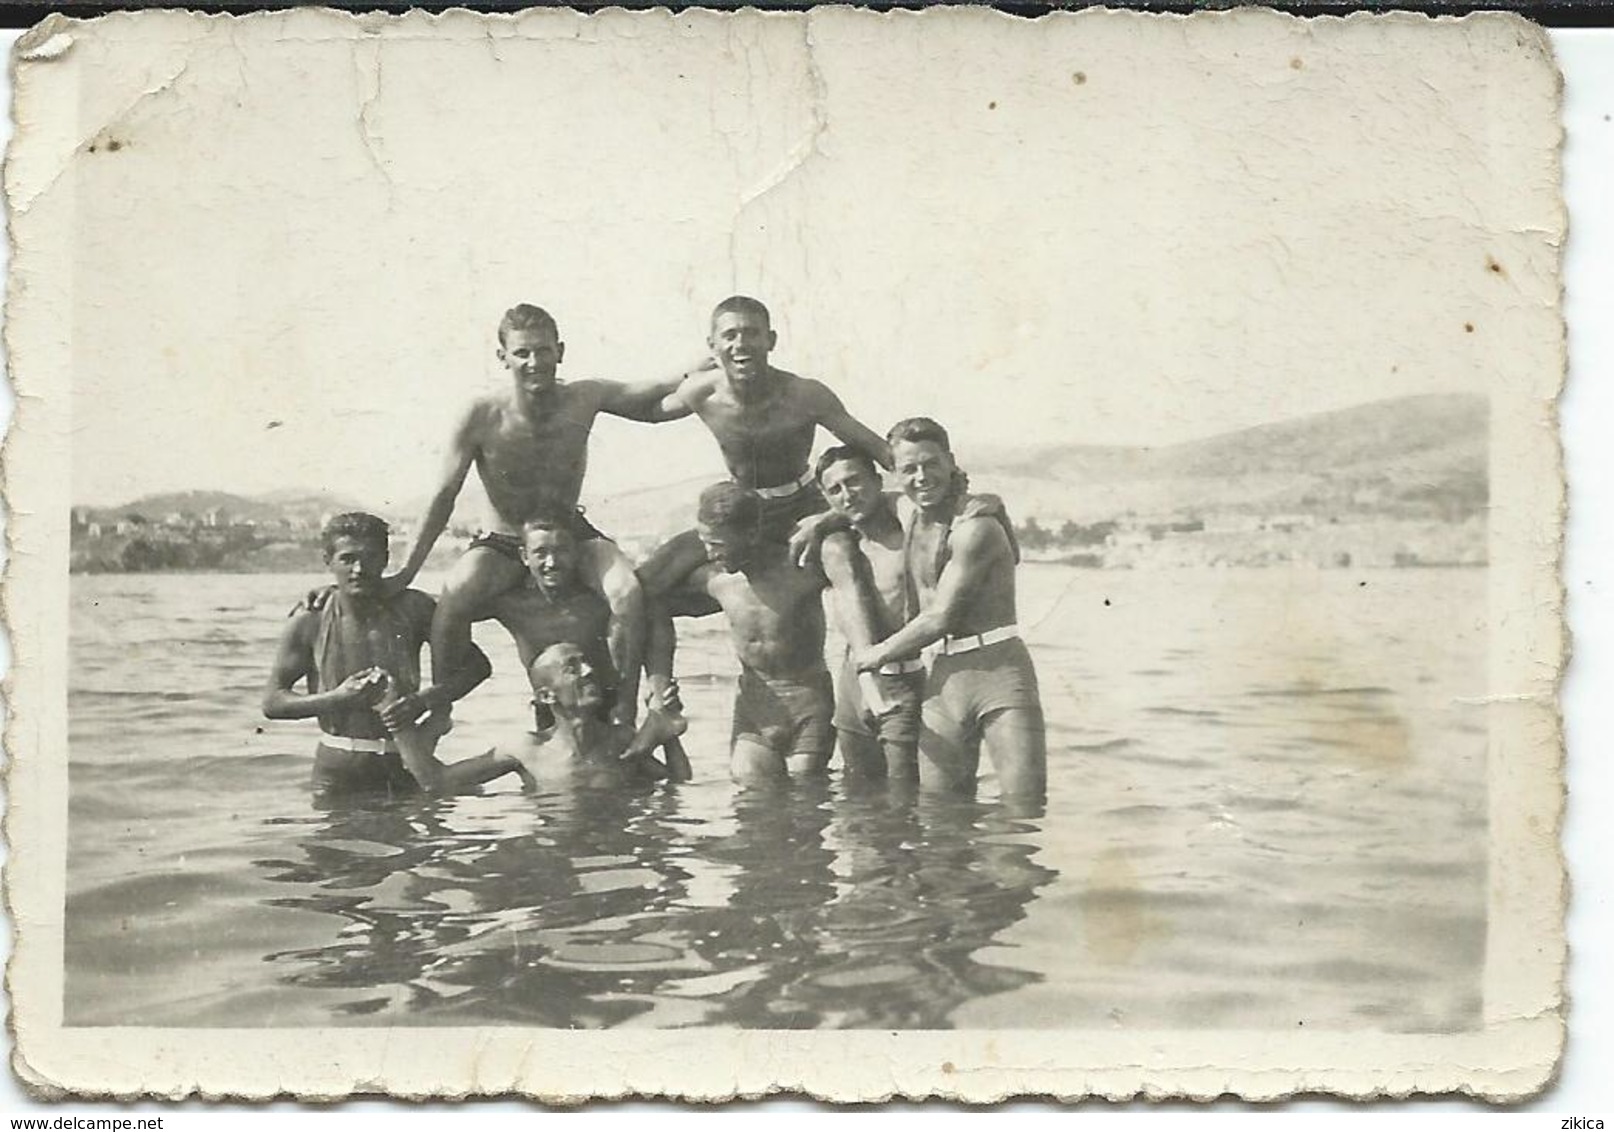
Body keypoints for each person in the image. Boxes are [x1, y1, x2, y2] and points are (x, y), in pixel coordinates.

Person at [383, 303, 698, 725]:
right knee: (455, 595)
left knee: (627, 591)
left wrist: (702, 373)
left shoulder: (584, 396)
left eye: (544, 351)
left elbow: (655, 393)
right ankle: (441, 706)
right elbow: (444, 495)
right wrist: (406, 572)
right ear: (503, 358)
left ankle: (626, 704)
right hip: (504, 542)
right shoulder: (481, 415)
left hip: (570, 534)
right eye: (523, 353)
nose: (535, 363)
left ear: (560, 351)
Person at [263, 512, 534, 799]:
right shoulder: (311, 618)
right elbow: (273, 701)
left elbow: (478, 666)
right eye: (347, 558)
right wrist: (338, 698)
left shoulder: (413, 607)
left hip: (403, 762)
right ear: (328, 561)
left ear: (385, 559)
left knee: (416, 841)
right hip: (336, 768)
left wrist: (423, 700)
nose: (359, 569)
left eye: (369, 557)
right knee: (331, 843)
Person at [635, 296, 892, 597]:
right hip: (743, 511)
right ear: (712, 345)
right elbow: (648, 411)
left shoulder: (805, 395)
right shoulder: (701, 391)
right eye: (729, 335)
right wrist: (680, 374)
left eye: (751, 333)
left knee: (840, 554)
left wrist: (825, 520)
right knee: (649, 580)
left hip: (803, 505)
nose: (741, 344)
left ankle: (867, 646)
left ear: (771, 340)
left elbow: (880, 450)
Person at [853, 418, 1047, 800]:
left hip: (998, 671)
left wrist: (871, 656)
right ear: (895, 474)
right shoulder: (908, 512)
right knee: (939, 819)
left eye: (931, 464)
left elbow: (940, 617)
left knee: (1021, 815)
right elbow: (857, 507)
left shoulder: (975, 527)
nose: (922, 477)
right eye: (909, 469)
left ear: (951, 461)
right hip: (942, 677)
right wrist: (817, 523)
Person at [648, 482, 879, 784]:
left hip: (809, 702)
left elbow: (859, 560)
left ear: (751, 534)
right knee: (752, 799)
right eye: (705, 542)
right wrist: (660, 683)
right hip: (755, 706)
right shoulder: (715, 580)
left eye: (718, 544)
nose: (708, 553)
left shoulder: (802, 569)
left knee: (806, 799)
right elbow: (652, 606)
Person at [478, 511, 687, 773]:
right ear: (524, 556)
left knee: (616, 778)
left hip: (609, 709)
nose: (552, 562)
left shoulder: (599, 600)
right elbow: (448, 614)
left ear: (577, 552)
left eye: (562, 550)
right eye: (541, 552)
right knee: (559, 781)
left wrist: (653, 695)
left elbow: (655, 613)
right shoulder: (511, 604)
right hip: (553, 711)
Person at [813, 445, 925, 782]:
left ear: (878, 481)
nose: (847, 495)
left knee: (904, 797)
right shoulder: (837, 547)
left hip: (903, 676)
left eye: (854, 482)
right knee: (856, 800)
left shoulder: (910, 537)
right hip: (852, 681)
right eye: (835, 490)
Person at [519, 642, 692, 788]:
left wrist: (670, 737)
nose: (588, 671)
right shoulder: (529, 750)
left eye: (586, 663)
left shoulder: (621, 742)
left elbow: (677, 782)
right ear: (546, 696)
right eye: (572, 668)